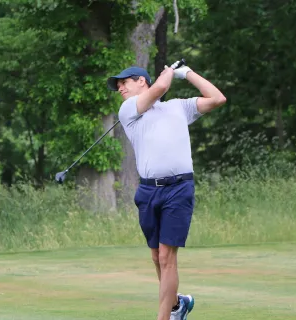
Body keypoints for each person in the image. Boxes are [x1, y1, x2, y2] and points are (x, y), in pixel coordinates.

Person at [106, 60, 227, 320]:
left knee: (166, 257)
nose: (120, 89)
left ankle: (166, 318)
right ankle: (176, 305)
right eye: (117, 86)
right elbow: (160, 87)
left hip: (179, 188)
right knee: (156, 257)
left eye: (124, 83)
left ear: (141, 81)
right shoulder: (129, 110)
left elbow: (217, 98)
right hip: (148, 191)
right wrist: (168, 74)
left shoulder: (179, 107)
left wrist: (188, 73)